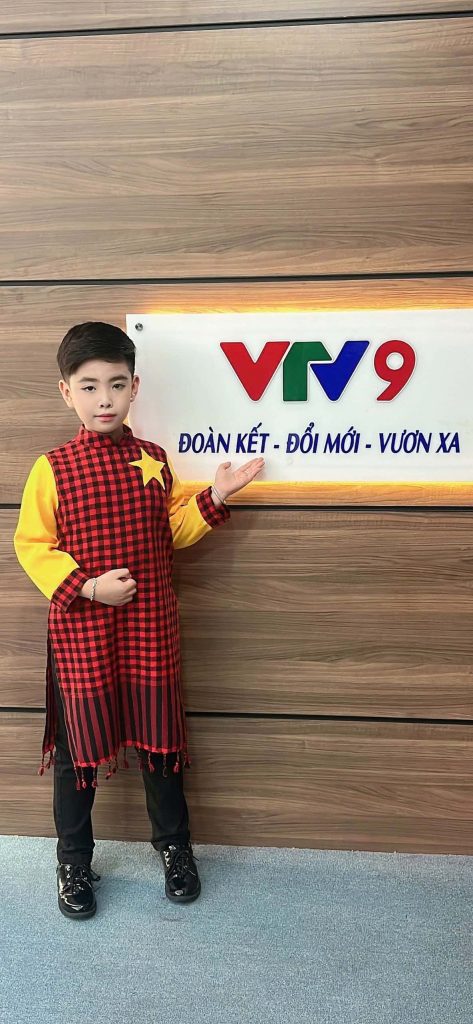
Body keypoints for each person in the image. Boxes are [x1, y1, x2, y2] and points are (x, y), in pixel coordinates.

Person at [13, 321, 264, 920]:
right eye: (89, 386)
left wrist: (215, 497)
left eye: (117, 385)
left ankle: (175, 847)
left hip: (149, 628)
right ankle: (73, 860)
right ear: (66, 392)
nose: (104, 399)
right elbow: (32, 546)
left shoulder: (153, 460)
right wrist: (88, 587)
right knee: (77, 751)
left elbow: (170, 531)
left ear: (134, 387)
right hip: (83, 634)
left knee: (160, 744)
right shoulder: (52, 468)